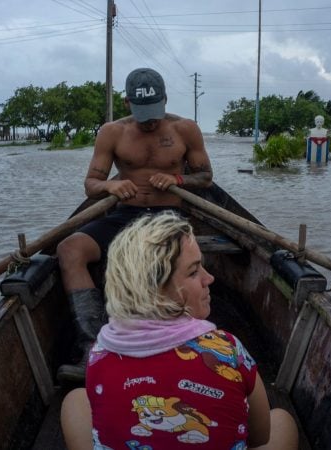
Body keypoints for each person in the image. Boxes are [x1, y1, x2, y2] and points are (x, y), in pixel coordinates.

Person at [60, 211, 299, 449]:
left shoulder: (99, 351)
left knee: (75, 400)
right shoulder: (228, 349)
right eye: (194, 271)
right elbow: (259, 436)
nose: (210, 278)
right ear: (157, 288)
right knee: (282, 421)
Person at [55, 67, 213, 382]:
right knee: (69, 249)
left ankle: (185, 342)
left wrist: (177, 178)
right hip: (125, 216)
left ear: (165, 100)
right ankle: (94, 345)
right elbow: (91, 184)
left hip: (170, 218)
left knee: (165, 260)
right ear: (127, 104)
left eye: (154, 112)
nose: (149, 121)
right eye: (142, 114)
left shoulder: (185, 129)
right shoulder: (112, 132)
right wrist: (110, 187)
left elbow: (206, 177)